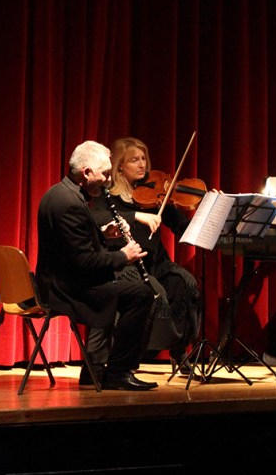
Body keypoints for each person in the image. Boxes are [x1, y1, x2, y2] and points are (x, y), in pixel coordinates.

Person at [36, 140, 158, 391]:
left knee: (126, 289)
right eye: (104, 174)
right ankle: (118, 372)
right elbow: (85, 262)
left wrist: (104, 234)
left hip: (62, 281)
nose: (108, 180)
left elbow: (72, 247)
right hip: (65, 290)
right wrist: (124, 256)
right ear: (87, 172)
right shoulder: (70, 203)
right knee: (141, 294)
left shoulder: (59, 193)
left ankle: (96, 369)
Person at [85, 137, 202, 372]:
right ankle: (131, 356)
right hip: (125, 265)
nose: (142, 165)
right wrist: (135, 216)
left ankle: (178, 349)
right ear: (119, 166)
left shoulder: (155, 195)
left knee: (185, 283)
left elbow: (182, 227)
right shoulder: (107, 196)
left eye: (143, 159)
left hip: (156, 262)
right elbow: (96, 218)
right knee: (155, 292)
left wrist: (207, 210)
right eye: (134, 160)